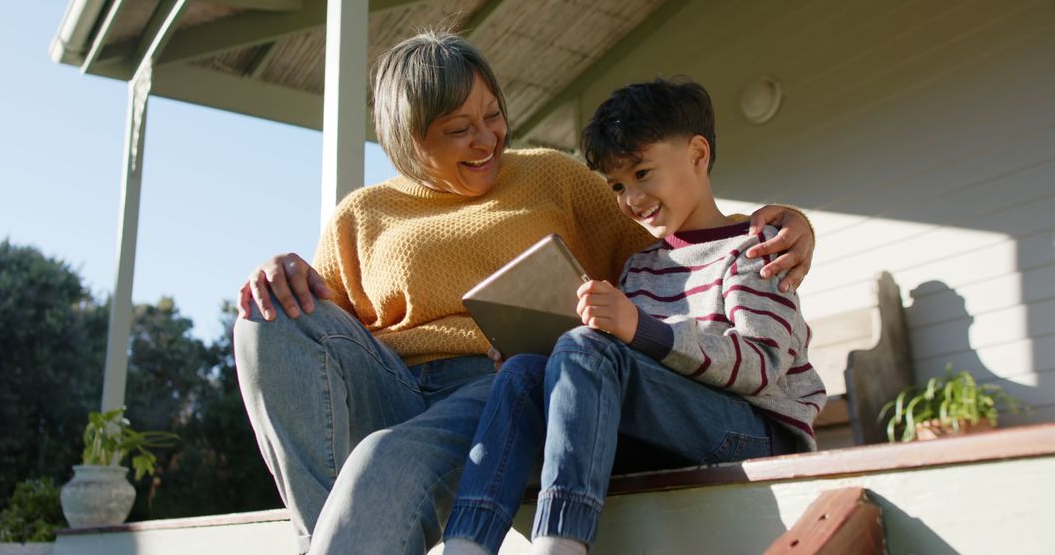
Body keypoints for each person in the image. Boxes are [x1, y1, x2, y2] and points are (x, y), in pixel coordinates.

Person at [234, 31, 815, 555]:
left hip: (498, 384)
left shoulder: (552, 177)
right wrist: (278, 271)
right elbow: (315, 349)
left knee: (383, 460)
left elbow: (676, 243)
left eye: (492, 115)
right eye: (460, 129)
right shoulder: (359, 216)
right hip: (392, 385)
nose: (487, 138)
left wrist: (784, 225)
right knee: (265, 320)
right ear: (410, 139)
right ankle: (325, 539)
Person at [441, 78, 827, 555]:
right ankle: (467, 544)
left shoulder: (756, 249)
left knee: (587, 344)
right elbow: (622, 368)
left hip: (753, 434)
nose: (631, 198)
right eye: (618, 185)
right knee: (523, 371)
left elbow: (759, 365)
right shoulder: (639, 267)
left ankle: (560, 542)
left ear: (698, 155)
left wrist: (639, 329)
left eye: (643, 173)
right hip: (662, 433)